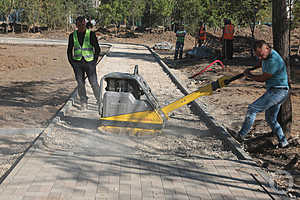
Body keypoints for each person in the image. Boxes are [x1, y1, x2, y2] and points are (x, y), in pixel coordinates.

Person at [236, 40, 289, 148]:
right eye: (258, 56)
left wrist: (249, 75)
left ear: (267, 48)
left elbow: (263, 78)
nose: (260, 57)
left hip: (277, 91)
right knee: (270, 119)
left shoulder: (273, 60)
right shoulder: (267, 56)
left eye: (261, 55)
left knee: (252, 109)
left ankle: (241, 136)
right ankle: (284, 142)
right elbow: (262, 61)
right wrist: (254, 67)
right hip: (279, 91)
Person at [67, 16, 101, 110]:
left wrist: (94, 62)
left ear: (85, 24)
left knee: (93, 83)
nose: (81, 26)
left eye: (82, 24)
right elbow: (69, 51)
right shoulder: (72, 36)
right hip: (78, 64)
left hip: (89, 63)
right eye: (78, 25)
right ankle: (83, 101)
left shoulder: (91, 34)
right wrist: (72, 63)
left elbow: (97, 49)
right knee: (80, 83)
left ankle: (99, 100)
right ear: (76, 25)